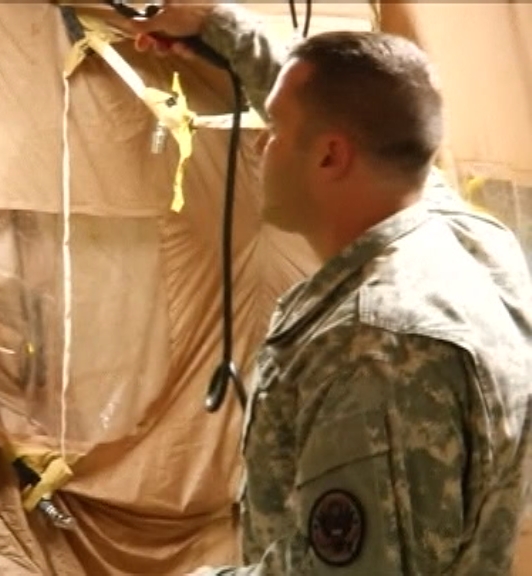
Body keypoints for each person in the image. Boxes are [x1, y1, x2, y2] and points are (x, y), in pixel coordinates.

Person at [127, 3, 532, 575]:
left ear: (330, 155)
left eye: (275, 131)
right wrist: (216, 26)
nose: (261, 145)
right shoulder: (471, 239)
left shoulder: (377, 347)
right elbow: (350, 107)